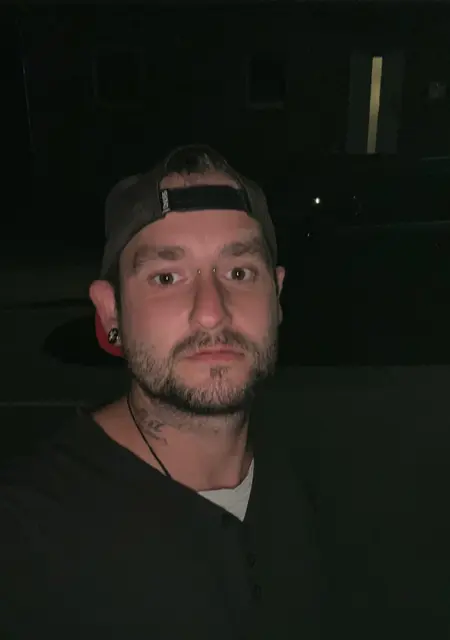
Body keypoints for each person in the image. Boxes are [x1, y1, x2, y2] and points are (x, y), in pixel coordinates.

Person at [0, 145, 325, 639]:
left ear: (276, 297)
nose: (211, 312)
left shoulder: (308, 481)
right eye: (166, 277)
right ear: (111, 312)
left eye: (239, 272)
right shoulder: (27, 541)